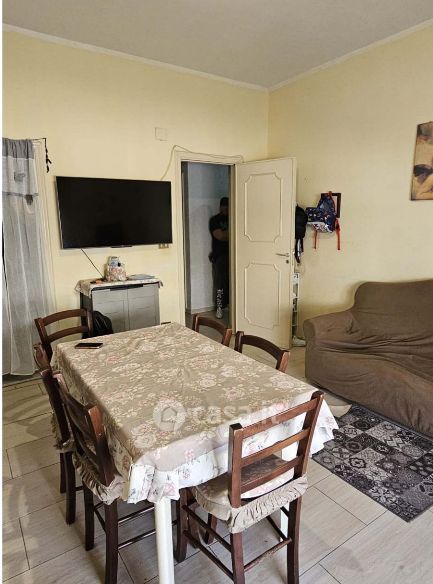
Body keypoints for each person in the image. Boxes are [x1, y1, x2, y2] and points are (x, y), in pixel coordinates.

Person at [209, 197, 229, 318]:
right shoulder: (215, 220)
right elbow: (220, 236)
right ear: (220, 207)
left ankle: (230, 306)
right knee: (219, 284)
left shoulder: (234, 217)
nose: (226, 209)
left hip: (234, 256)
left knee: (231, 283)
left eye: (227, 207)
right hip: (219, 256)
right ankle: (219, 308)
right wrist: (232, 234)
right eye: (224, 206)